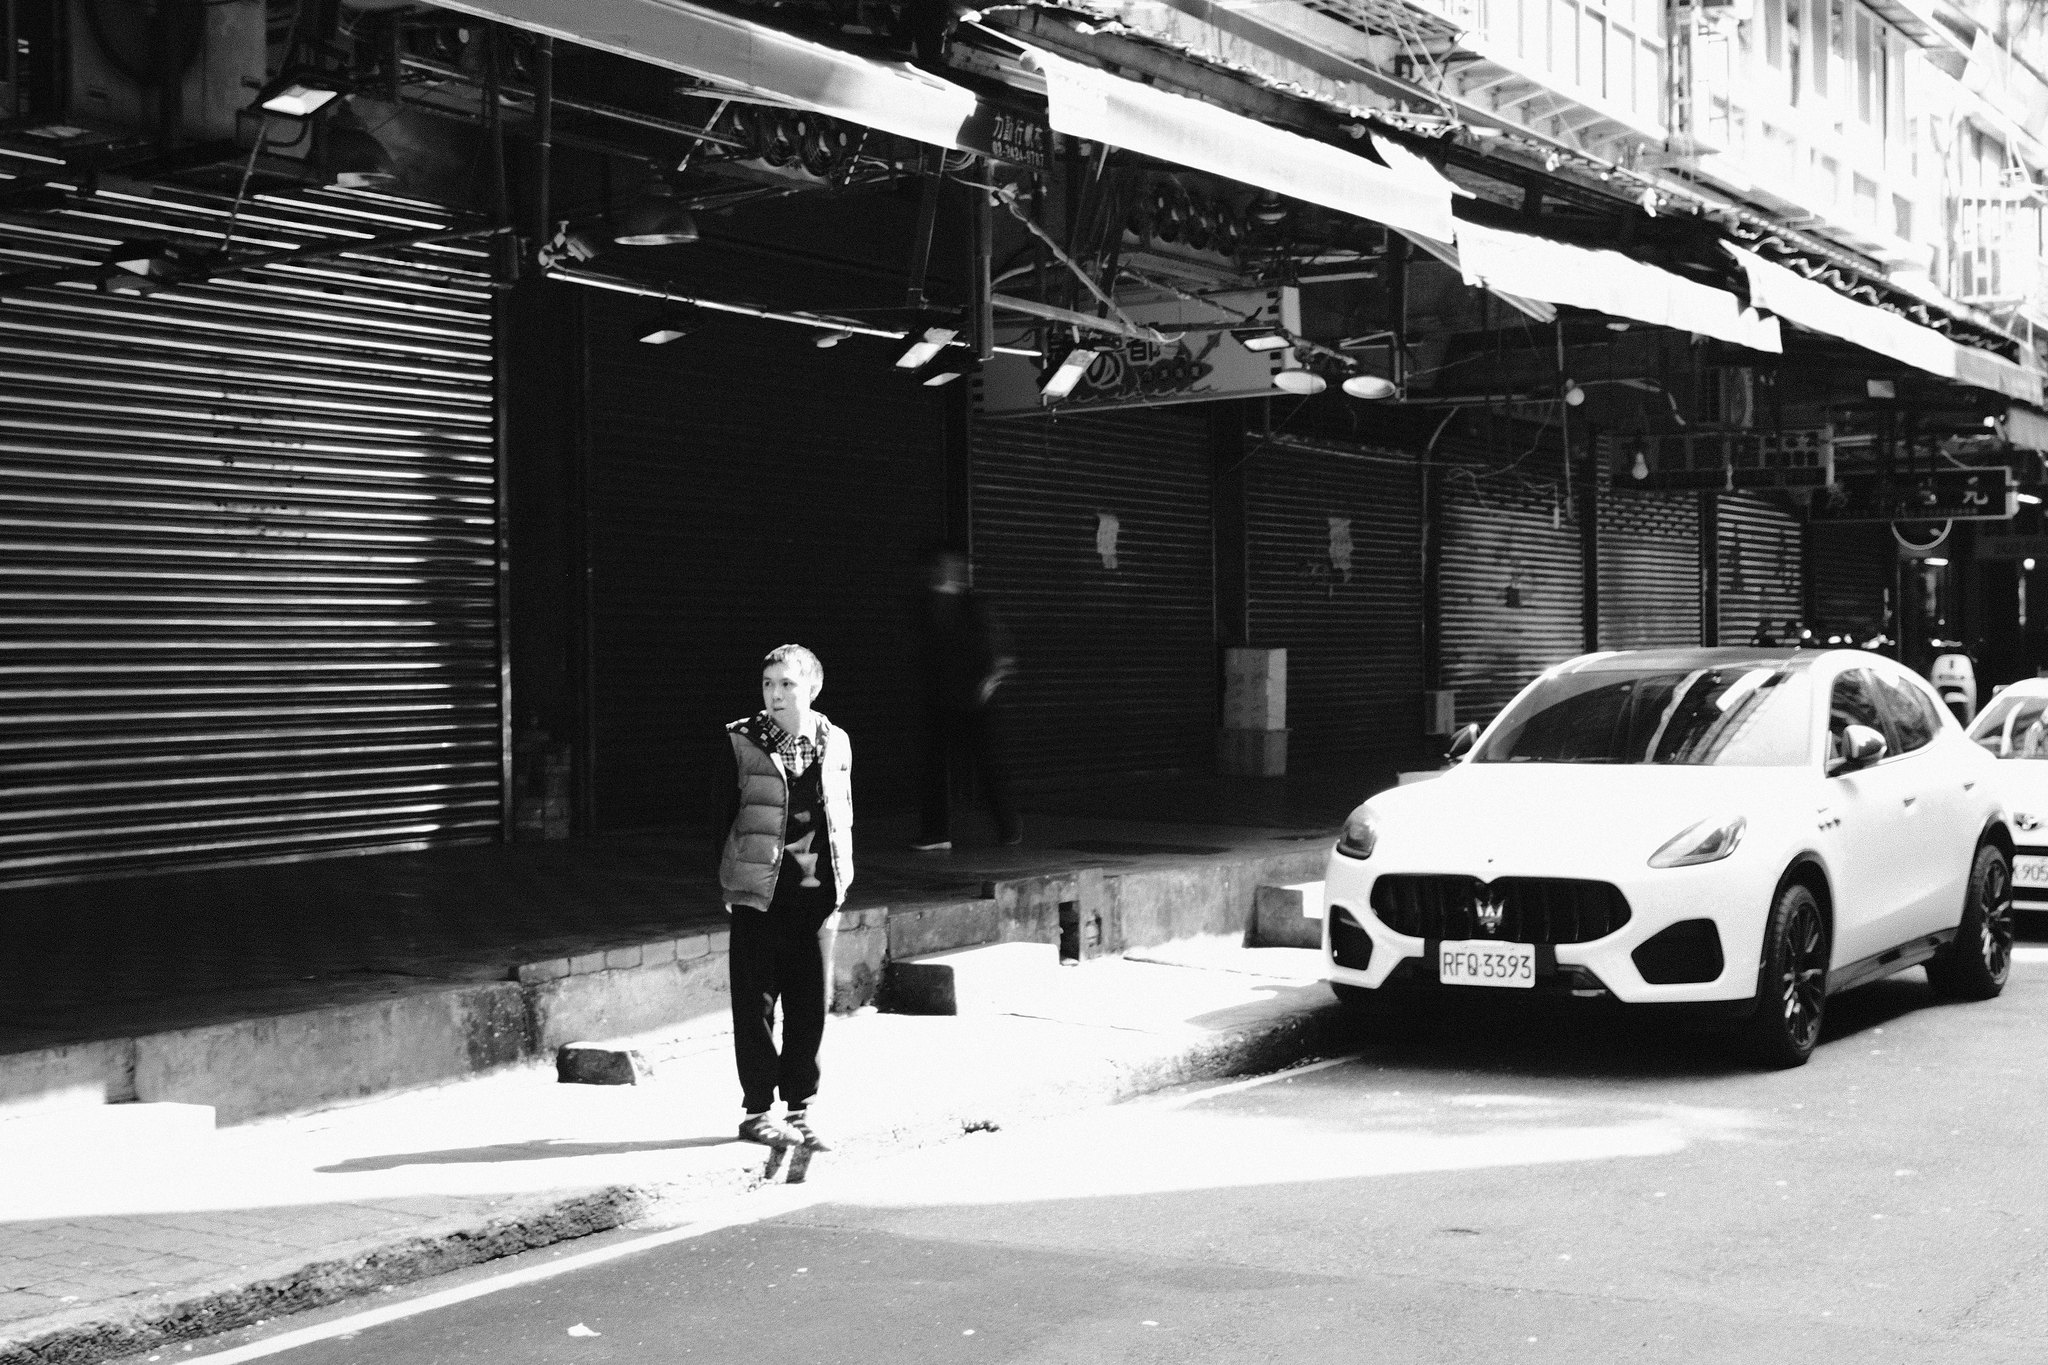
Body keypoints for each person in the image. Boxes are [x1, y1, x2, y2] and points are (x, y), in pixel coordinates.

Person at [716, 644, 851, 1150]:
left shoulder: (836, 742)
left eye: (787, 684)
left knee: (810, 1006)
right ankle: (756, 1111)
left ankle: (800, 1109)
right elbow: (720, 816)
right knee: (755, 1005)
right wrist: (730, 881)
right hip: (759, 892)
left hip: (817, 895)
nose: (775, 694)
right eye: (769, 684)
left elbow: (844, 815)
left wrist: (843, 884)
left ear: (812, 688)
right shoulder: (740, 741)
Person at [913, 546, 1020, 851]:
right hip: (943, 698)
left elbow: (999, 648)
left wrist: (989, 682)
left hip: (974, 701)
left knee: (986, 765)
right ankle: (937, 833)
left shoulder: (972, 605)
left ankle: (1008, 824)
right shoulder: (930, 604)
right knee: (936, 766)